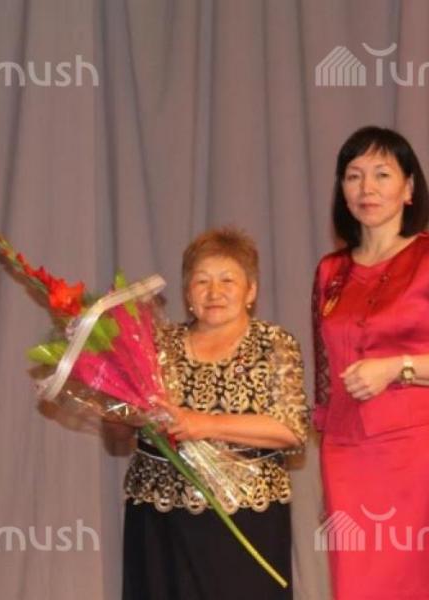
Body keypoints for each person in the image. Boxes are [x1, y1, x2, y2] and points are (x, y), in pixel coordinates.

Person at [312, 126, 429, 599]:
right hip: (346, 454)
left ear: (409, 187)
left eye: (382, 174)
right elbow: (325, 380)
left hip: (416, 453)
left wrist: (398, 367)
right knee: (354, 586)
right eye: (353, 175)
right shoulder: (330, 272)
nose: (367, 188)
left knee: (415, 582)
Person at [122, 228, 308, 600]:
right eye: (202, 281)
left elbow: (291, 429)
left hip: (245, 519)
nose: (214, 292)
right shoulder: (157, 344)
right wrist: (115, 410)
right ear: (187, 293)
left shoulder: (273, 343)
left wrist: (204, 424)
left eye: (228, 280)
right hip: (159, 519)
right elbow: (125, 429)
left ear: (251, 291)